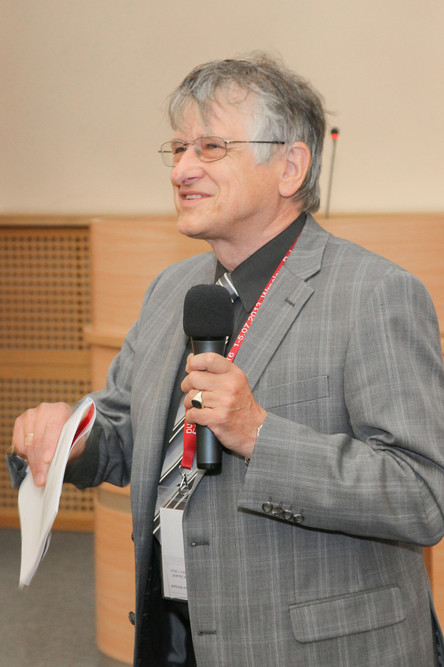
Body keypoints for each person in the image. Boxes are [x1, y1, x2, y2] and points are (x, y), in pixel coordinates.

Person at [10, 53, 444, 666]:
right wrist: (71, 438)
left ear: (290, 166)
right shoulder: (172, 290)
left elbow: (424, 494)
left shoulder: (375, 294)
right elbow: (124, 435)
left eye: (211, 147)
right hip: (177, 636)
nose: (182, 169)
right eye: (178, 148)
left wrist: (260, 435)